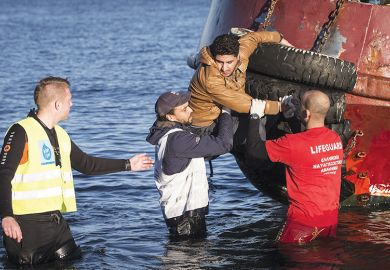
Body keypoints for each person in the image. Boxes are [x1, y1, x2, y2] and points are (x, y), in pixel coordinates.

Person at [0, 76, 154, 265]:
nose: (72, 103)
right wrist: (7, 216)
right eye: (69, 99)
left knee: (73, 262)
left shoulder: (60, 134)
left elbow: (86, 164)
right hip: (27, 226)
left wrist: (128, 164)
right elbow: (3, 175)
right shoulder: (20, 131)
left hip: (56, 223)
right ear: (57, 104)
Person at [246, 90, 343, 244]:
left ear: (306, 113)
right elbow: (308, 145)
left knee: (289, 260)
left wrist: (254, 115)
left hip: (302, 224)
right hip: (329, 220)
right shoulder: (335, 139)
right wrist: (290, 118)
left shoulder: (292, 144)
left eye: (300, 107)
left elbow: (253, 150)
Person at [146, 91, 233, 238]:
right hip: (185, 221)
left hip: (182, 217)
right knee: (189, 259)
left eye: (189, 106)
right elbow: (224, 145)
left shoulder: (167, 135)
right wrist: (226, 113)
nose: (191, 110)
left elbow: (206, 151)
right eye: (185, 109)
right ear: (170, 117)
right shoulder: (178, 140)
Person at [189, 30, 292, 134]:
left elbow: (253, 37)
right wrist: (280, 107)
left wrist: (280, 38)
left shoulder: (242, 52)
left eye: (229, 62)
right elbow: (244, 104)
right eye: (219, 62)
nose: (224, 68)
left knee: (267, 117)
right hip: (204, 125)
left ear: (238, 56)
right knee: (258, 124)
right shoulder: (210, 80)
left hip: (226, 109)